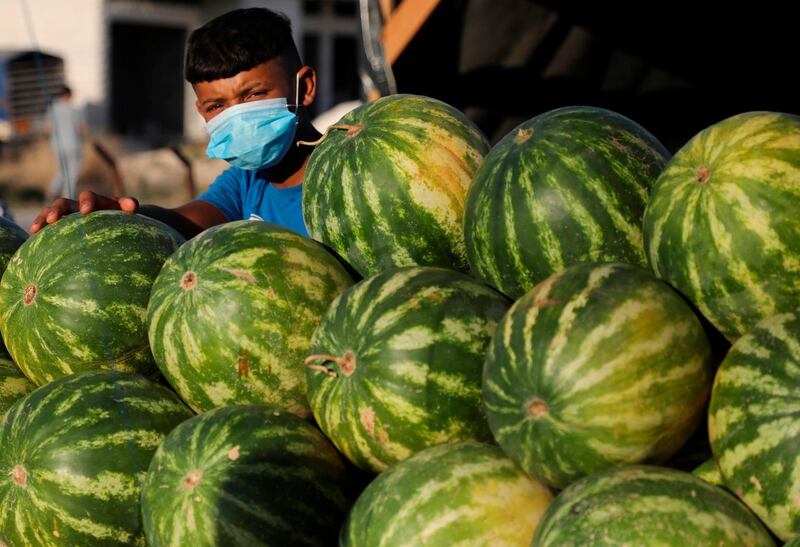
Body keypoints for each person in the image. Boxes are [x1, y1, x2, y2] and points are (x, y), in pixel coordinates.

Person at [30, 8, 321, 238]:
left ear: (305, 87)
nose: (237, 116)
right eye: (216, 106)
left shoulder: (349, 174)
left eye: (254, 94)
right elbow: (186, 220)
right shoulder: (248, 179)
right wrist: (119, 215)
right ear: (200, 110)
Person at [44, 84, 86, 201]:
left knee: (62, 171)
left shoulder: (52, 110)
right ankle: (67, 199)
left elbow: (47, 129)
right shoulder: (74, 110)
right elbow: (81, 128)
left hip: (58, 146)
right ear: (69, 95)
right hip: (73, 145)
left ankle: (53, 190)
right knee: (73, 173)